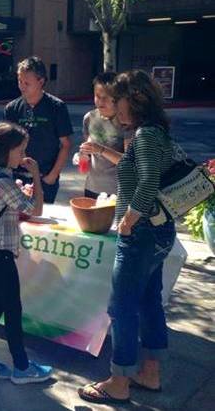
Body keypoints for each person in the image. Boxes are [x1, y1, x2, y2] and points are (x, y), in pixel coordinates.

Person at [78, 70, 176, 405]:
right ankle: (150, 373)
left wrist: (129, 220)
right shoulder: (154, 132)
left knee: (122, 306)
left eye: (117, 98)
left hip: (141, 233)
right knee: (149, 301)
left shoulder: (145, 135)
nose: (114, 107)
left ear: (133, 99)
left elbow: (147, 183)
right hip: (159, 232)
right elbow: (143, 172)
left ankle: (118, 381)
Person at [0, 121, 53, 384]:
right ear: (5, 150)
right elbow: (36, 209)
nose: (23, 155)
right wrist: (37, 176)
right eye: (20, 149)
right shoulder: (3, 182)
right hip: (0, 253)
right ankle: (21, 367)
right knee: (12, 310)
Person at [4, 57, 73, 203]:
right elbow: (6, 145)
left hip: (45, 177)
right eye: (19, 81)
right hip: (17, 178)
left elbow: (66, 144)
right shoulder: (12, 109)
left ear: (41, 81)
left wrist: (52, 176)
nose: (22, 86)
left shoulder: (57, 107)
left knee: (41, 220)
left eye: (27, 83)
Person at [78, 72, 132, 198]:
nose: (101, 102)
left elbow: (129, 162)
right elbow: (88, 155)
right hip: (92, 187)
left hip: (117, 192)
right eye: (97, 96)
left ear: (117, 98)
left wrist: (101, 149)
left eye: (106, 97)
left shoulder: (125, 121)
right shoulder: (89, 118)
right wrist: (82, 156)